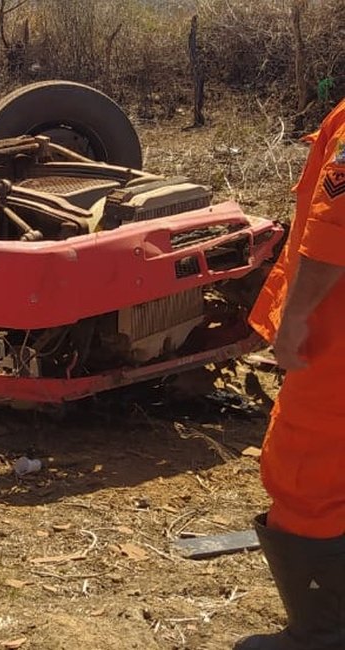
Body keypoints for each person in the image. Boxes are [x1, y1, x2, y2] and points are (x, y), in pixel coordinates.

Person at [239, 97, 345, 650]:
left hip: (337, 340)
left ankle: (322, 635)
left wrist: (297, 315)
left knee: (305, 476)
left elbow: (335, 227)